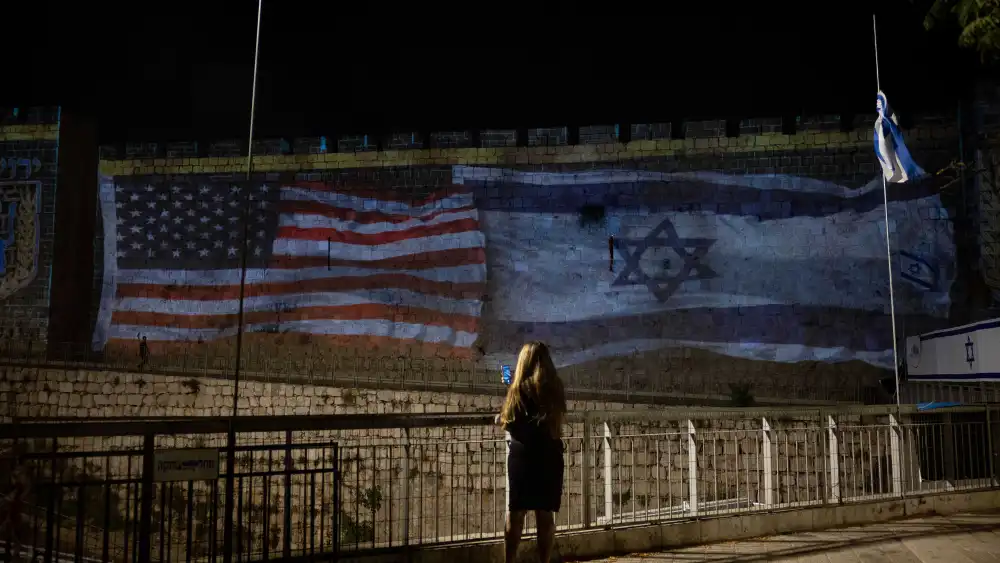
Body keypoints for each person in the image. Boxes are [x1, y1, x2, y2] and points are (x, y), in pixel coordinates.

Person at [496, 341, 567, 563]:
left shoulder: (518, 388)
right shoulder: (555, 387)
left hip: (523, 455)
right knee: (545, 515)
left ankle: (510, 560)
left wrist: (499, 416)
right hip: (549, 454)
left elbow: (508, 421)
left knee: (516, 513)